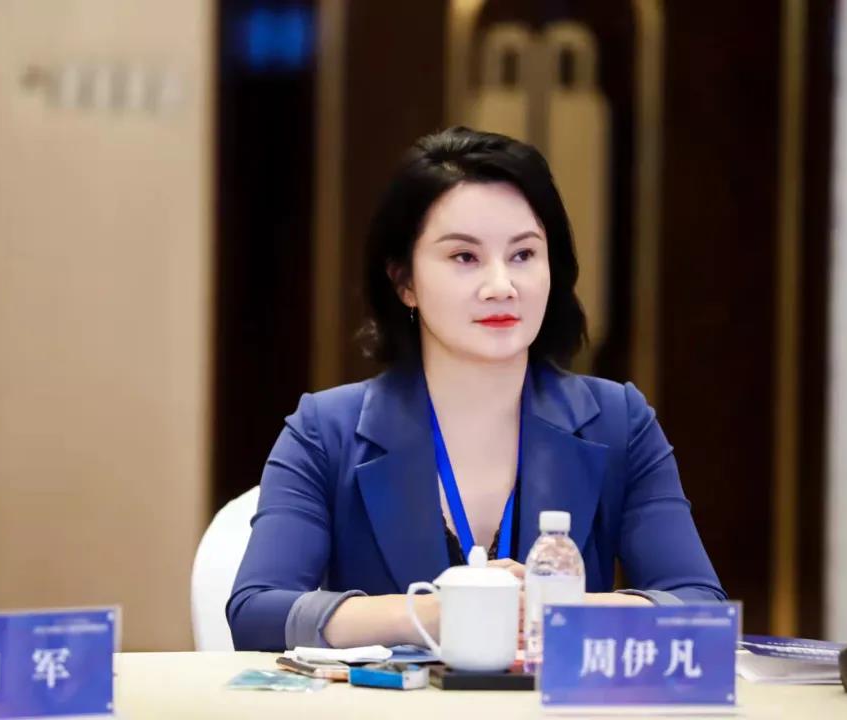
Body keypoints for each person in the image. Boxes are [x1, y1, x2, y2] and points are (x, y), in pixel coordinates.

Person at [227, 127, 726, 651]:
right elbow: (256, 613)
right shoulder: (325, 430)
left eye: (523, 254)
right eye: (465, 257)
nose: (501, 286)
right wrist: (436, 613)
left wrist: (556, 610)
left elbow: (700, 608)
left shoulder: (619, 421)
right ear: (404, 281)